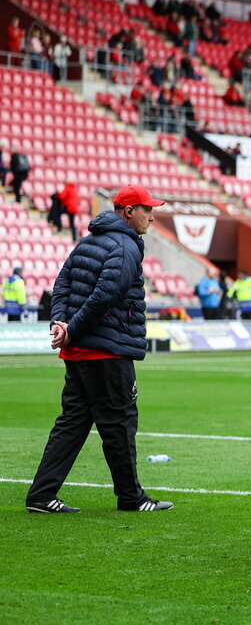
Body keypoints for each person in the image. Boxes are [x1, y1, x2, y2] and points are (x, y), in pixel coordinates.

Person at [25, 185, 174, 513]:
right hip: (107, 351)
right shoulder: (125, 246)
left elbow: (61, 284)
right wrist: (71, 329)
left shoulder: (88, 240)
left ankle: (40, 495)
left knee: (72, 422)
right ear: (129, 211)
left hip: (80, 351)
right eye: (147, 209)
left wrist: (61, 323)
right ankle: (131, 498)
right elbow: (105, 296)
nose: (152, 215)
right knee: (119, 423)